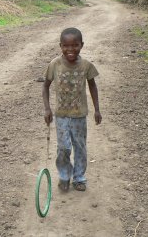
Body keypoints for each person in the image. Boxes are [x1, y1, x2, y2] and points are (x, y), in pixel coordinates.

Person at [42, 27, 102, 192]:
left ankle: (79, 178)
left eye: (75, 45)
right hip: (61, 115)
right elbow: (45, 86)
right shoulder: (54, 64)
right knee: (63, 148)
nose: (70, 49)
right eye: (66, 46)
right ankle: (64, 176)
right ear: (60, 46)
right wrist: (47, 109)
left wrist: (97, 109)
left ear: (81, 45)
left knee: (80, 147)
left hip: (79, 115)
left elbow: (92, 86)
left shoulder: (86, 65)